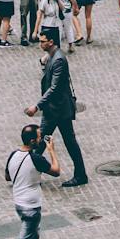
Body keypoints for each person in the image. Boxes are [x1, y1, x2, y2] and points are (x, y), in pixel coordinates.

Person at [27, 30, 87, 185]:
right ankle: (80, 174)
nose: (40, 44)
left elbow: (54, 88)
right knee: (49, 142)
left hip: (57, 110)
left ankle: (30, 173)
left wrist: (37, 106)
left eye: (43, 41)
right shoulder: (53, 56)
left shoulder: (58, 59)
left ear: (51, 42)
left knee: (49, 142)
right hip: (56, 109)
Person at [6, 123, 58, 239]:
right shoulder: (35, 158)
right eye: (39, 137)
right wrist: (51, 150)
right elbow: (56, 171)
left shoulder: (13, 154)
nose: (41, 139)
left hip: (19, 204)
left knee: (34, 236)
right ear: (32, 141)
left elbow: (7, 177)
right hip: (31, 207)